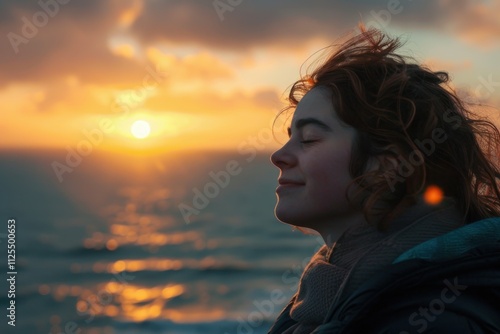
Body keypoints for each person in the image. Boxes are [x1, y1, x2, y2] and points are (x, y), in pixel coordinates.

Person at [268, 27, 500, 333]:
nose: (278, 156)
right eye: (290, 137)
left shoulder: (436, 319)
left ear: (389, 165)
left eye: (309, 139)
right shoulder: (324, 297)